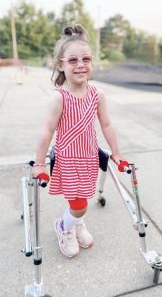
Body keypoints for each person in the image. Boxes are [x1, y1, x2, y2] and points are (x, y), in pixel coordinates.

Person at [33, 24, 128, 258]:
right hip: (68, 160)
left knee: (83, 198)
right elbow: (46, 130)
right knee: (79, 204)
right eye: (73, 60)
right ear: (61, 64)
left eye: (86, 59)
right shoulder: (59, 97)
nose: (80, 64)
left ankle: (76, 222)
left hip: (88, 158)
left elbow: (106, 124)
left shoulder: (98, 94)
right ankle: (64, 227)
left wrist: (116, 152)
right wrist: (39, 163)